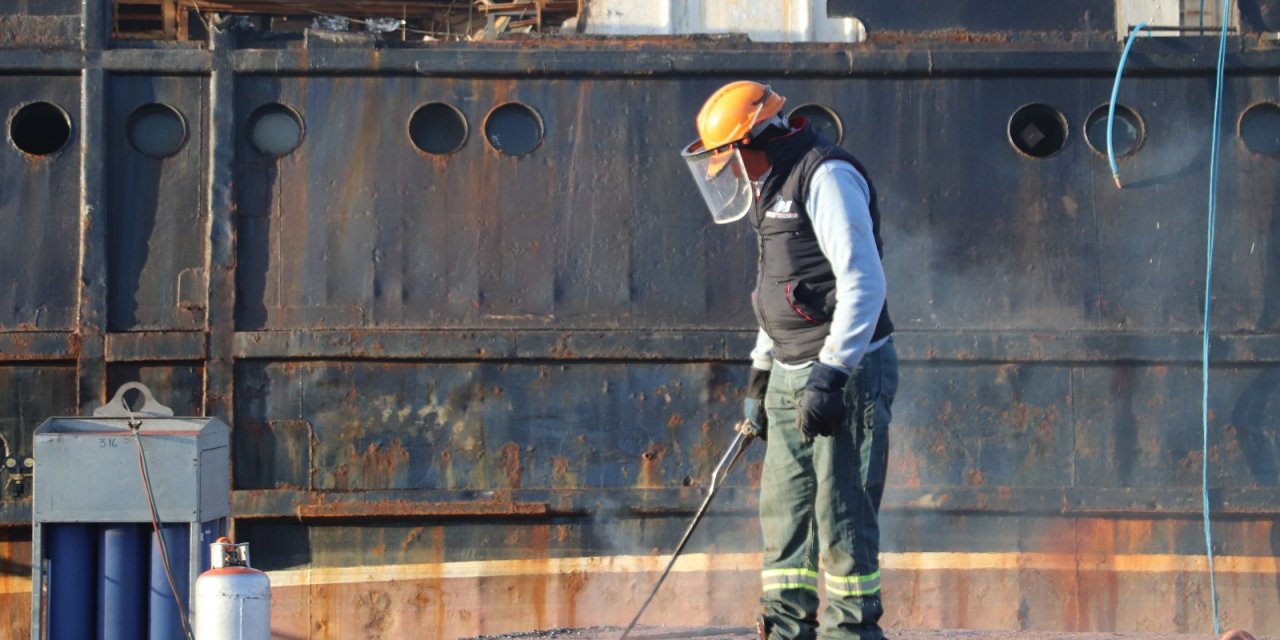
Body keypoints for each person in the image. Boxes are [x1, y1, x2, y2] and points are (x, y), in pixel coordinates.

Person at [680, 81, 898, 640]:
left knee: (842, 513)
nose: (726, 176)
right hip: (788, 367)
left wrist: (831, 374)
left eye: (727, 161)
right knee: (784, 512)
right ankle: (784, 629)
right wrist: (760, 374)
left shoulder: (824, 176)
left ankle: (850, 633)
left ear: (752, 141)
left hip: (842, 373)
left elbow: (863, 282)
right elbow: (777, 288)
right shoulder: (768, 186)